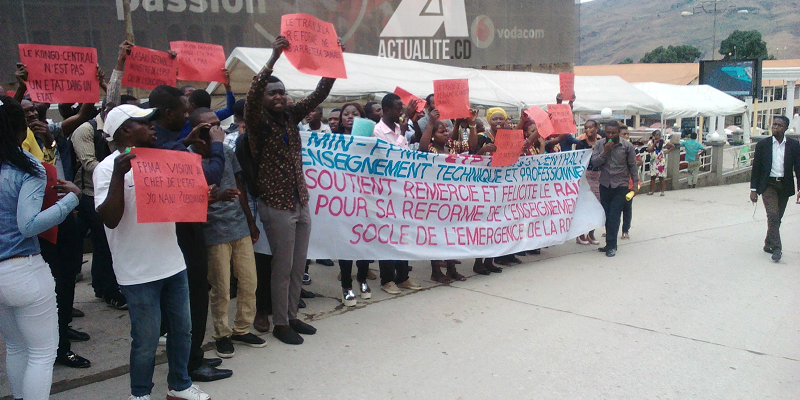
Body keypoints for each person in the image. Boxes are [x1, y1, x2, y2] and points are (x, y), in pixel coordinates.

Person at [94, 104, 212, 400]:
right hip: (137, 272)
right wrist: (121, 176)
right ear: (125, 131)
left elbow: (180, 203)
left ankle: (180, 385)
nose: (152, 127)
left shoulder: (162, 160)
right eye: (144, 123)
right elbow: (109, 218)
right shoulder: (107, 168)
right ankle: (140, 394)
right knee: (146, 340)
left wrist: (208, 195)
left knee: (182, 332)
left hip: (173, 263)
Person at [245, 35, 338, 345]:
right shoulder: (258, 124)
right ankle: (280, 323)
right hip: (277, 206)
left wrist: (333, 61)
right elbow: (254, 92)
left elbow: (319, 93)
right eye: (273, 92)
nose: (279, 96)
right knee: (282, 267)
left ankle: (293, 316)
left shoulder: (289, 118)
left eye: (282, 92)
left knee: (299, 264)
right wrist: (272, 58)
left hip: (300, 201)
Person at [149, 85, 232, 382]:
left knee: (191, 296)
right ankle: (190, 364)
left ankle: (191, 354)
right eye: (183, 112)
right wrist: (218, 145)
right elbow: (205, 177)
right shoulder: (163, 143)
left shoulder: (167, 139)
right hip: (181, 232)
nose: (187, 116)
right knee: (193, 296)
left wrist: (185, 142)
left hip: (180, 226)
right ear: (169, 113)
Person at [0, 95, 81, 400]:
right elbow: (28, 224)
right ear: (17, 128)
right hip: (24, 270)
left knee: (17, 347)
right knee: (41, 353)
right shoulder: (27, 166)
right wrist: (71, 198)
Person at [188, 108, 265, 358]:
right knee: (220, 287)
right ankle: (222, 333)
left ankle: (242, 328)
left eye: (217, 124)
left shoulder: (227, 151)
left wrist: (250, 221)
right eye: (207, 126)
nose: (214, 130)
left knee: (249, 281)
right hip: (213, 230)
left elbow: (238, 185)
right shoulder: (187, 158)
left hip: (238, 225)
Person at [71, 102, 128, 310]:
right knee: (103, 243)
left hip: (113, 189)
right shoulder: (85, 130)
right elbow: (88, 164)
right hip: (89, 193)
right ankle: (109, 290)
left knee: (104, 243)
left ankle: (103, 286)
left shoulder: (121, 137)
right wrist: (118, 169)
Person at [417, 109, 477, 283]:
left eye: (447, 131)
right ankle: (436, 271)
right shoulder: (429, 149)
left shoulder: (452, 146)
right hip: (434, 199)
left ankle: (451, 269)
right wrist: (430, 123)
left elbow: (472, 144)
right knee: (436, 235)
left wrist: (472, 123)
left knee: (451, 234)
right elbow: (421, 147)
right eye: (441, 131)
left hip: (452, 197)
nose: (446, 133)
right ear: (433, 134)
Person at [371, 93, 423, 294]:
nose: (401, 112)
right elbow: (392, 156)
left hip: (402, 190)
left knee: (402, 233)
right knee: (387, 234)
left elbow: (407, 156)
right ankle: (387, 279)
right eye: (397, 108)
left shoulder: (399, 128)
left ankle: (402, 276)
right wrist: (404, 127)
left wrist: (404, 128)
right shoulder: (378, 131)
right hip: (385, 192)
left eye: (403, 109)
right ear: (385, 110)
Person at [749, 116, 800, 262]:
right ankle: (777, 248)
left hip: (784, 185)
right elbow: (756, 168)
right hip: (768, 185)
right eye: (774, 124)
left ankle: (768, 243)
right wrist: (753, 189)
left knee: (777, 218)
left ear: (785, 128)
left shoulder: (794, 145)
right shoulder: (763, 145)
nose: (775, 127)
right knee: (773, 215)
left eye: (779, 125)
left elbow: (798, 168)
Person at [591, 121, 639, 257]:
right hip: (605, 184)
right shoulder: (600, 145)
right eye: (608, 132)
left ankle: (612, 246)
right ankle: (609, 244)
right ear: (604, 132)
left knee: (614, 216)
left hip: (621, 185)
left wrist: (635, 185)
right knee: (607, 216)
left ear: (618, 132)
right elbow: (594, 162)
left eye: (613, 133)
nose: (610, 135)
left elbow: (633, 166)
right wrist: (605, 152)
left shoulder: (627, 146)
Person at [575, 120, 601, 245]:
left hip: (599, 177)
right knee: (585, 206)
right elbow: (578, 160)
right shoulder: (581, 144)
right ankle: (580, 234)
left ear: (597, 128)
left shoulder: (602, 143)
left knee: (596, 206)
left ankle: (591, 233)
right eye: (586, 127)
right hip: (586, 177)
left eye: (591, 127)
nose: (588, 130)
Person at [619, 125, 641, 240]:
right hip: (615, 182)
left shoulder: (632, 148)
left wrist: (629, 163)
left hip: (629, 182)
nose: (626, 136)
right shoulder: (611, 147)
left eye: (627, 134)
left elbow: (639, 161)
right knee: (613, 208)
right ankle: (611, 230)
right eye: (624, 134)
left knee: (627, 207)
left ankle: (625, 230)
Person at [646, 130, 674, 196]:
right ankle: (651, 191)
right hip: (653, 161)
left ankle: (662, 191)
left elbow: (672, 146)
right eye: (656, 135)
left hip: (661, 161)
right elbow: (650, 150)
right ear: (653, 136)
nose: (658, 137)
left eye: (659, 135)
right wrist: (654, 144)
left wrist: (667, 152)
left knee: (661, 177)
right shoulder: (650, 142)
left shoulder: (663, 142)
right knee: (652, 176)